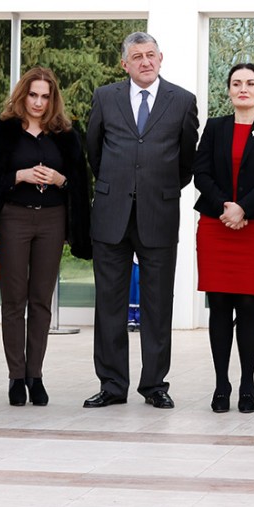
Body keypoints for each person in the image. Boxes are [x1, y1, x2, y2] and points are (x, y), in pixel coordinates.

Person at [0, 66, 91, 406]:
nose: (38, 102)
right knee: (14, 299)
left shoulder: (65, 134)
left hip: (53, 220)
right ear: (23, 95)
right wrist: (17, 175)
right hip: (13, 219)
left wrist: (61, 180)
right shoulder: (3, 131)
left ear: (53, 99)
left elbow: (83, 182)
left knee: (41, 301)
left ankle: (36, 375)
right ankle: (16, 377)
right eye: (33, 94)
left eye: (45, 96)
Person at [85, 32, 199, 409]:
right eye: (137, 57)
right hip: (111, 214)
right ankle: (112, 384)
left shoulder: (182, 101)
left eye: (151, 55)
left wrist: (158, 188)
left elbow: (186, 163)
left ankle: (155, 385)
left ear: (161, 57)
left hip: (159, 213)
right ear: (125, 64)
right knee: (110, 305)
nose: (145, 62)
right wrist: (118, 186)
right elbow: (94, 152)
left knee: (157, 304)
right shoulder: (105, 97)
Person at [193, 63, 254, 414]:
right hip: (216, 225)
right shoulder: (215, 128)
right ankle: (222, 384)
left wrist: (243, 208)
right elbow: (199, 172)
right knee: (218, 305)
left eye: (250, 83)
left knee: (248, 306)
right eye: (236, 83)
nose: (243, 88)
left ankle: (247, 384)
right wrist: (225, 207)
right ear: (229, 91)